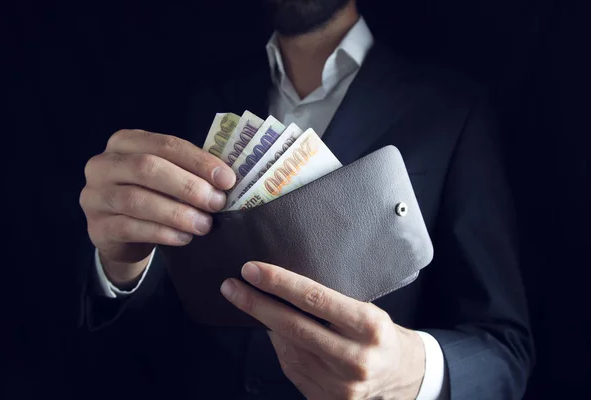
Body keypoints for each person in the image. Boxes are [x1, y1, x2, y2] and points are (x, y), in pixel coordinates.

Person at [78, 0, 534, 398]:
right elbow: (166, 304)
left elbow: (504, 352)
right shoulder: (203, 102)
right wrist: (121, 266)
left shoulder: (451, 109)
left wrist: (409, 371)